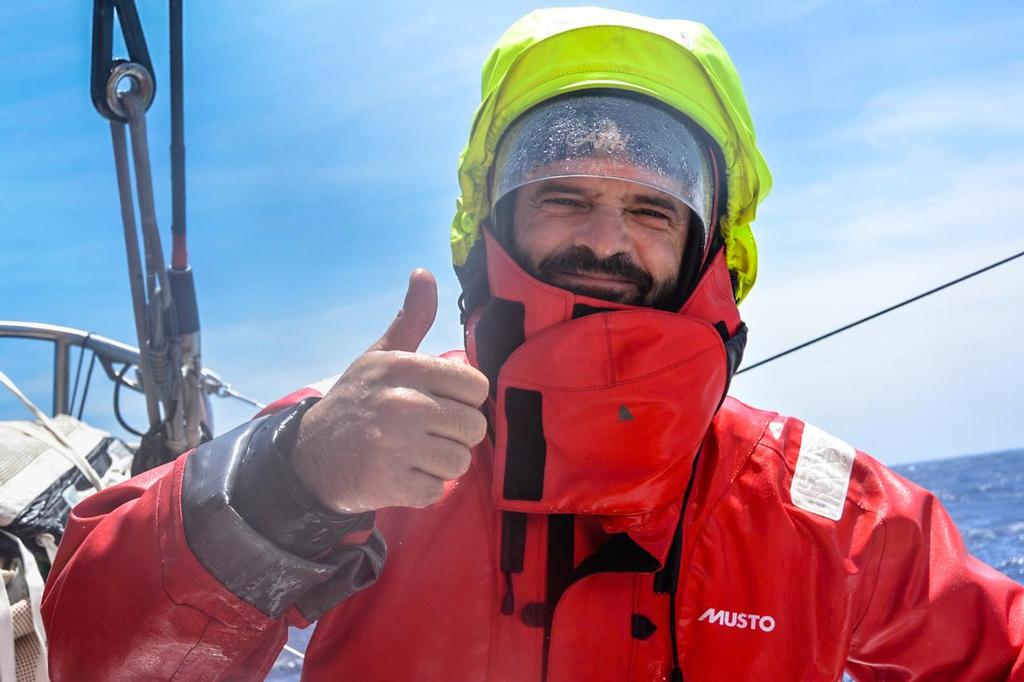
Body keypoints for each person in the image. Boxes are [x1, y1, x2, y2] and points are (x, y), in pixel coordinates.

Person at [42, 8, 1024, 681]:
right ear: (489, 222)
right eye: (565, 195)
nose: (605, 236)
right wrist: (288, 481)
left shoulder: (822, 505)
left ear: (710, 249)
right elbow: (82, 656)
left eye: (651, 207)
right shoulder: (351, 442)